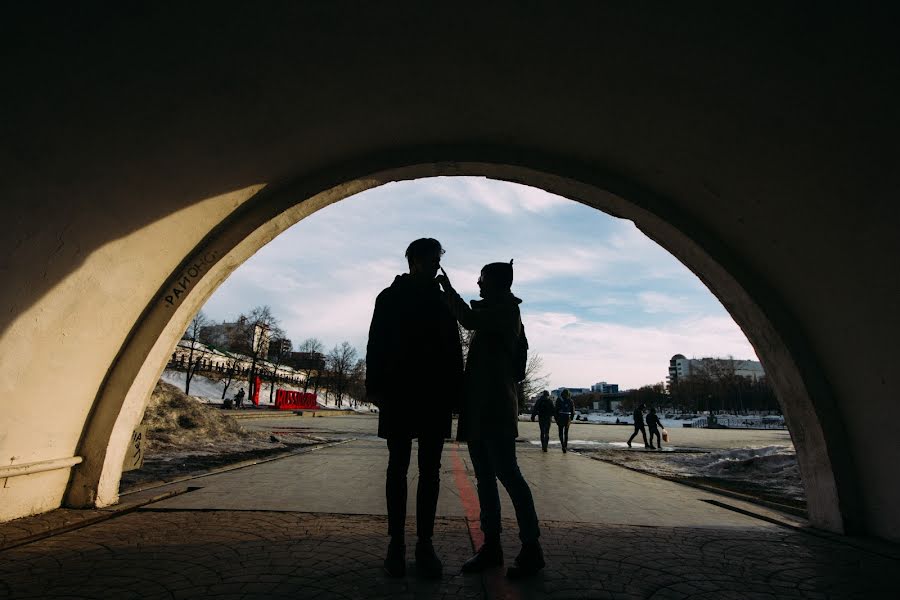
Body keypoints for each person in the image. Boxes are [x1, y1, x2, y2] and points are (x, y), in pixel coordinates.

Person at [438, 260, 545, 579]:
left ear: (498, 283)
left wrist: (449, 291)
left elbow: (469, 320)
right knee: (486, 478)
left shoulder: (505, 310)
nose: (479, 283)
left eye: (483, 279)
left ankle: (531, 548)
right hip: (481, 409)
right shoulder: (499, 310)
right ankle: (492, 546)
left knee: (508, 475)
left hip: (495, 409)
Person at [365, 238, 464, 579]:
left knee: (429, 471)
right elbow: (375, 343)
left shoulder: (440, 300)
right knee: (399, 468)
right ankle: (398, 544)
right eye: (435, 259)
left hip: (432, 397)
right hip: (400, 394)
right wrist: (375, 388)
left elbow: (454, 349)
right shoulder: (390, 297)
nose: (439, 265)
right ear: (417, 261)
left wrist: (455, 394)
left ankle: (423, 543)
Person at [554, 389, 574, 453]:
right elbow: (573, 411)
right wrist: (571, 418)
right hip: (567, 418)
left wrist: (556, 419)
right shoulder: (570, 401)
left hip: (560, 417)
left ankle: (562, 445)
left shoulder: (559, 400)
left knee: (560, 432)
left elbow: (556, 410)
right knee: (566, 433)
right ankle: (565, 446)